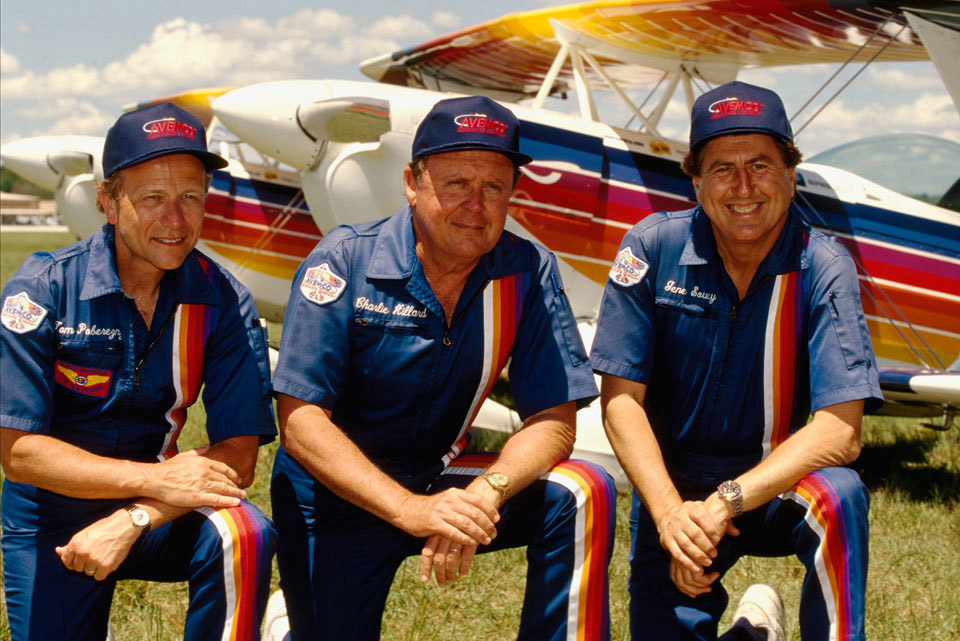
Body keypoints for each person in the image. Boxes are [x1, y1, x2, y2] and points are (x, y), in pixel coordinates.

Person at [269, 95, 616, 641]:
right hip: (332, 496)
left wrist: (488, 492)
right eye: (456, 183)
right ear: (412, 182)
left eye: (494, 187)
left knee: (581, 490)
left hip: (442, 480)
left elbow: (553, 417)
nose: (475, 205)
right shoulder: (344, 260)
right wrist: (409, 511)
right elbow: (300, 424)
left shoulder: (526, 270)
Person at [590, 81, 882, 641]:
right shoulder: (651, 248)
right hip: (677, 495)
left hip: (779, 483)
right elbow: (621, 402)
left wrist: (725, 503)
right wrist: (673, 514)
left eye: (761, 165)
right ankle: (752, 631)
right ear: (696, 183)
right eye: (722, 169)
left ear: (791, 176)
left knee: (840, 498)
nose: (743, 187)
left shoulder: (824, 266)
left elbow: (840, 433)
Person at [0, 102, 278, 641]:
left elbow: (238, 458)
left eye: (190, 198)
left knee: (243, 531)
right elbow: (19, 453)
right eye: (152, 198)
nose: (174, 220)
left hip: (157, 510)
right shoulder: (44, 289)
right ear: (108, 202)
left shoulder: (223, 299)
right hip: (51, 513)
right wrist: (157, 480)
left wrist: (134, 517)